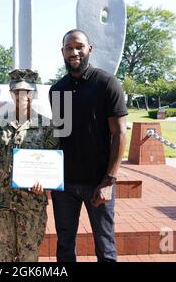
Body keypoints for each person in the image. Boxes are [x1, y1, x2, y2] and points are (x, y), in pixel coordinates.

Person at [49, 29, 128, 262]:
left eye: (79, 46)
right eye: (68, 48)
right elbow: (61, 137)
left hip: (98, 183)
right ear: (62, 51)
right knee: (64, 246)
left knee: (105, 247)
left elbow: (120, 133)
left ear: (89, 49)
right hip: (65, 186)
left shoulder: (107, 83)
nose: (74, 52)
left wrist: (109, 181)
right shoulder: (57, 90)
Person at [0, 69, 59, 262]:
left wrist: (45, 183)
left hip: (31, 205)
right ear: (11, 93)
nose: (22, 96)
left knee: (29, 256)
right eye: (16, 91)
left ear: (34, 93)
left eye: (27, 91)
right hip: (0, 204)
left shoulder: (47, 126)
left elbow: (53, 163)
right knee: (1, 257)